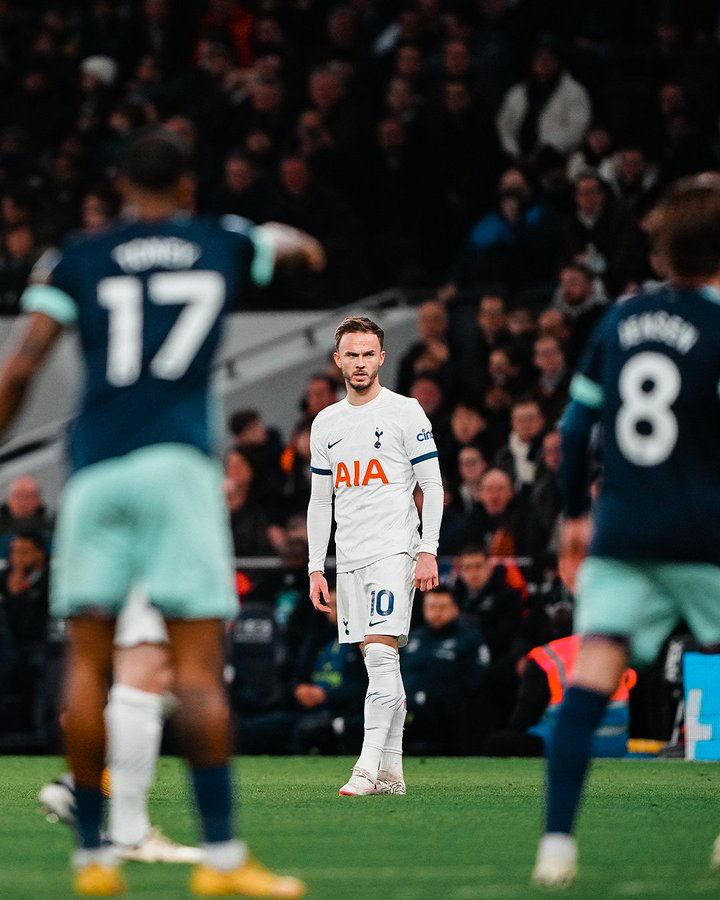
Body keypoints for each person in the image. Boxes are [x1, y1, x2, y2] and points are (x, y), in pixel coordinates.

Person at [0, 127, 323, 897]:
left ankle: (92, 860)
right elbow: (299, 248)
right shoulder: (222, 240)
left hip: (96, 472)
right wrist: (281, 242)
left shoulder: (76, 255)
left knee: (86, 662)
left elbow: (22, 364)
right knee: (199, 673)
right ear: (188, 188)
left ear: (118, 188)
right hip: (178, 468)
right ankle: (221, 862)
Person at [533, 175, 720, 887]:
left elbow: (574, 428)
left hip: (624, 530)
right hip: (704, 533)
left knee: (592, 677)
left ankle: (556, 847)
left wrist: (576, 515)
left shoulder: (620, 319)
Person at [307, 315, 443, 796]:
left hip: (393, 549)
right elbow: (321, 500)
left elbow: (432, 485)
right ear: (338, 360)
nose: (361, 363)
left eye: (369, 354)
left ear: (382, 358)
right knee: (378, 664)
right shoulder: (326, 422)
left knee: (383, 657)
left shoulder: (406, 412)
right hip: (350, 559)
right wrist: (314, 567)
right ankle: (392, 773)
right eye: (352, 354)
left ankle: (365, 768)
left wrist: (427, 550)